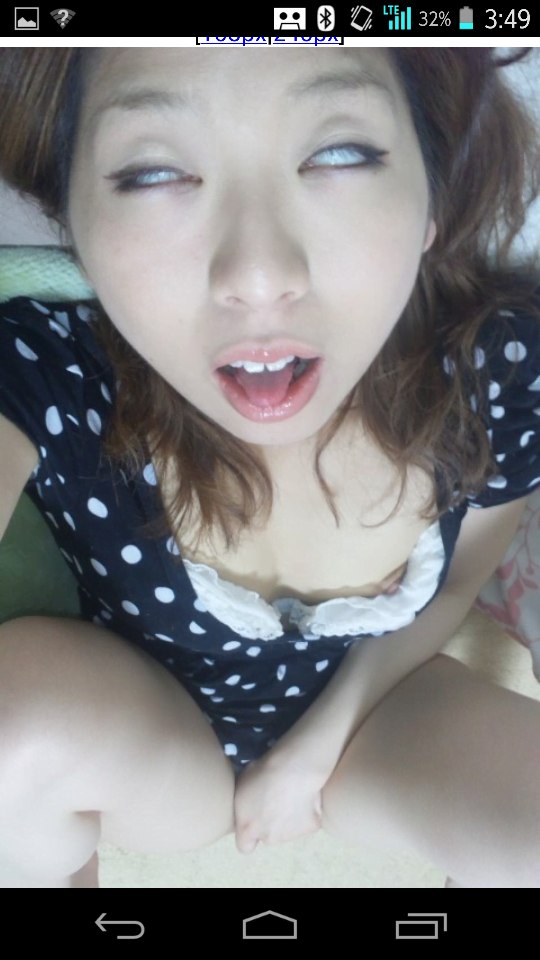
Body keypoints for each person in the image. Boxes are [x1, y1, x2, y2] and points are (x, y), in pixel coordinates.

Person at [0, 46, 539, 888]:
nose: (258, 276)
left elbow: (457, 587)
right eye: (152, 173)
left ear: (433, 196)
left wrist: (312, 752)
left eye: (340, 154)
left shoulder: (494, 371)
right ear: (71, 220)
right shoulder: (49, 370)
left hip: (376, 713)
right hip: (146, 733)